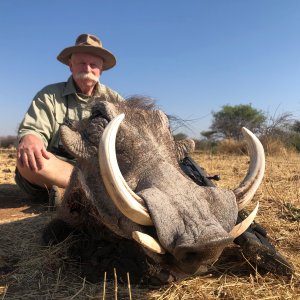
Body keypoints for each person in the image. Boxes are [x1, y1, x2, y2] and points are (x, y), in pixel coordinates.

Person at [15, 33, 124, 203]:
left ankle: (71, 194)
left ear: (101, 70)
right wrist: (30, 138)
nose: (87, 68)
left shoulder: (116, 100)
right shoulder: (48, 95)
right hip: (58, 169)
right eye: (81, 63)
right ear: (70, 65)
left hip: (100, 171)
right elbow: (33, 130)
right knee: (27, 162)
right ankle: (94, 194)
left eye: (93, 64)